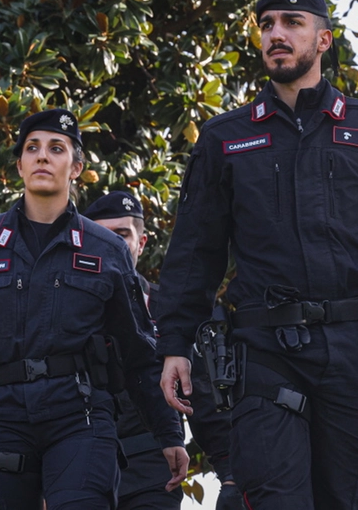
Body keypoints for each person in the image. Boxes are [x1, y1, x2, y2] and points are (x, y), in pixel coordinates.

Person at [150, 0, 358, 510]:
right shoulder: (225, 138)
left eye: (291, 23)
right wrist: (174, 346)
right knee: (275, 495)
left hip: (351, 348)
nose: (276, 34)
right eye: (267, 24)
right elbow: (193, 254)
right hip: (263, 348)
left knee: (351, 496)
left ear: (323, 40)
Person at [0, 109, 186, 510]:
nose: (43, 157)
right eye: (33, 148)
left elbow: (138, 351)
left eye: (56, 148)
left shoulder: (106, 250)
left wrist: (168, 433)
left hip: (78, 416)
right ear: (20, 165)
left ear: (76, 167)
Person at [82, 192, 242, 510]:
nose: (113, 245)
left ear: (142, 243)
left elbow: (204, 400)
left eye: (122, 234)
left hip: (152, 472)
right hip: (77, 471)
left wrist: (231, 475)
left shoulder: (172, 313)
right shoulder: (64, 311)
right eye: (102, 236)